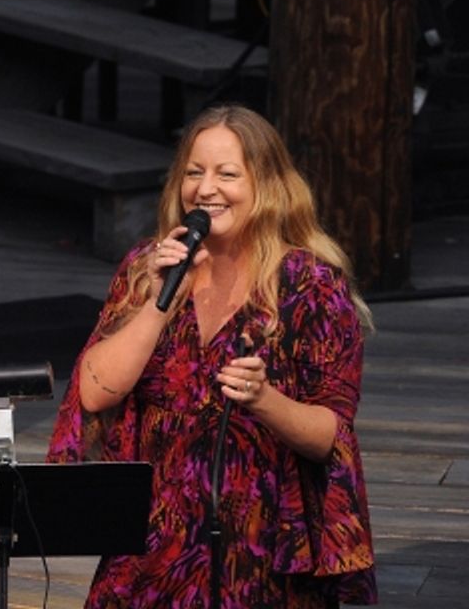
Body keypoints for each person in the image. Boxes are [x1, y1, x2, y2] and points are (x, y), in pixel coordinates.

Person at [47, 104, 376, 607]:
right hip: (154, 535)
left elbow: (330, 435)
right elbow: (93, 391)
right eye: (194, 173)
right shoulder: (148, 267)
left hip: (261, 542)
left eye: (227, 174)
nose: (206, 189)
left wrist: (264, 398)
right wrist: (158, 304)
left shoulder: (310, 287)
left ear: (265, 185)